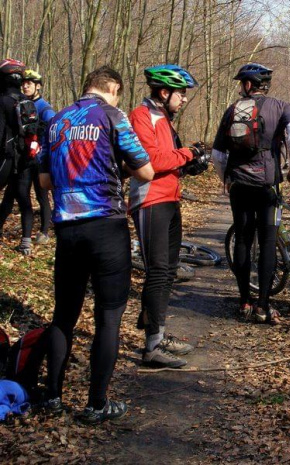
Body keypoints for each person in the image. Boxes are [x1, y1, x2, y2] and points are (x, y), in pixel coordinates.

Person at [39, 66, 154, 423]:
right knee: (108, 315)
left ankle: (52, 398)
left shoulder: (56, 120)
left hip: (67, 229)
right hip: (105, 225)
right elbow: (145, 171)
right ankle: (96, 404)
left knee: (64, 315)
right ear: (113, 88)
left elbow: (43, 180)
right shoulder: (111, 115)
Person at [212, 63, 290, 324]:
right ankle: (263, 305)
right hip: (268, 185)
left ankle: (244, 302)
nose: (241, 87)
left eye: (242, 83)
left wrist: (226, 179)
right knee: (267, 243)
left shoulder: (232, 111)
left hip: (239, 185)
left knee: (242, 239)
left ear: (248, 85)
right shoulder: (281, 106)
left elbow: (218, 155)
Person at [129, 64, 206, 368]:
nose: (184, 99)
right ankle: (152, 346)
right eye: (181, 94)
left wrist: (189, 163)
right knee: (158, 270)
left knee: (169, 270)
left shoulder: (164, 118)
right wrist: (188, 153)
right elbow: (150, 160)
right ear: (164, 92)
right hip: (150, 200)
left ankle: (157, 332)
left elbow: (169, 160)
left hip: (170, 197)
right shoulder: (141, 115)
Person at [9, 69, 54, 245]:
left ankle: (44, 232)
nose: (25, 86)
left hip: (40, 159)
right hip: (24, 158)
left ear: (38, 87)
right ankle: (26, 235)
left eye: (29, 83)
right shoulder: (19, 104)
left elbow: (52, 132)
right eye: (23, 83)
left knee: (42, 196)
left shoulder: (45, 107)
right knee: (23, 194)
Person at [0, 59, 36, 255]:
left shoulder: (3, 101)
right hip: (25, 160)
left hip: (6, 158)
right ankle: (26, 241)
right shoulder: (27, 102)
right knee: (23, 198)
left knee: (10, 198)